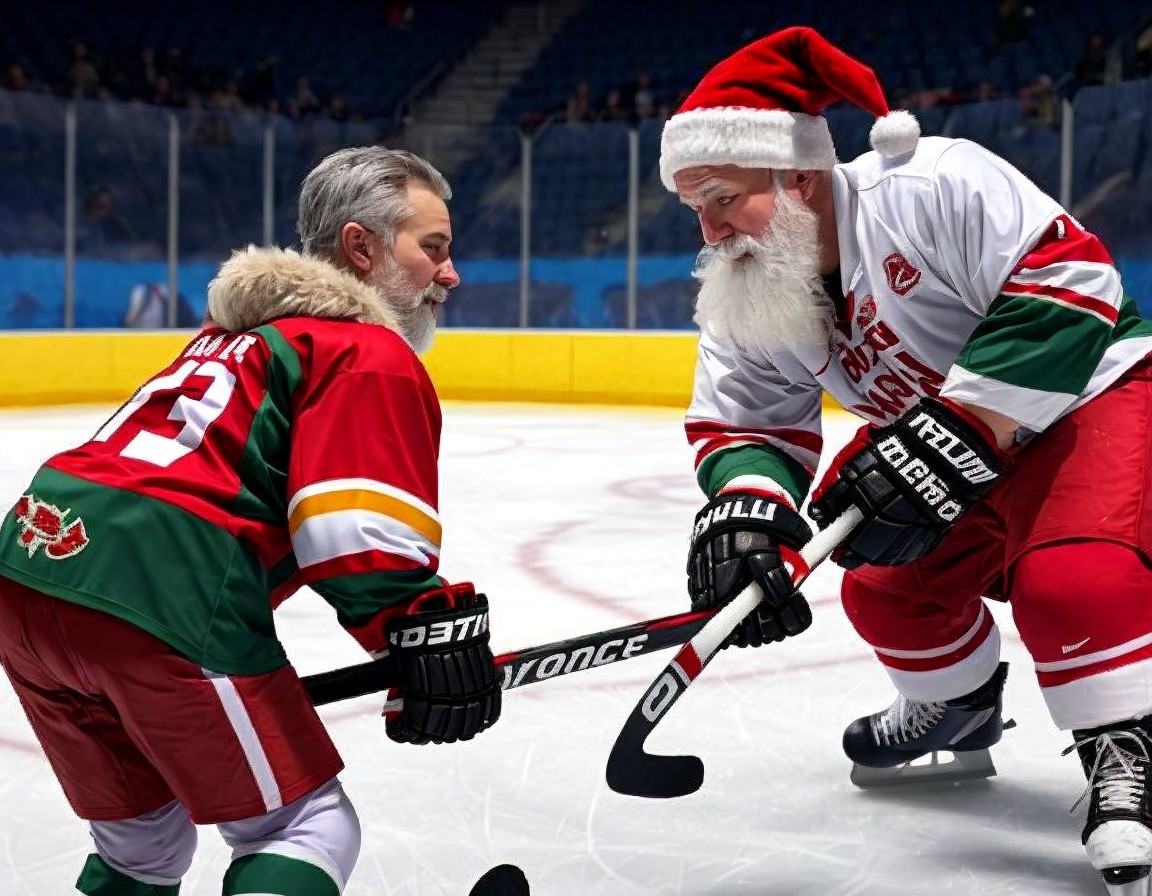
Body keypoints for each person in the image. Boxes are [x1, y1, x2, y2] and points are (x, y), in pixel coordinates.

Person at [663, 26, 1152, 895]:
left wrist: (957, 429)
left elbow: (1073, 287)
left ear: (801, 177)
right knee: (883, 586)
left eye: (726, 199)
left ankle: (1127, 747)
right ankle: (960, 710)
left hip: (1093, 398)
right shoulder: (751, 287)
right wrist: (745, 514)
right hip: (955, 439)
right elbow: (748, 424)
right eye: (696, 208)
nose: (711, 230)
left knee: (1071, 581)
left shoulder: (932, 183)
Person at [0, 146, 502, 895]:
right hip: (162, 581)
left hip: (30, 565)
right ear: (360, 246)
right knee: (304, 827)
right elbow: (353, 532)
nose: (450, 273)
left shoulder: (237, 335)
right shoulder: (365, 348)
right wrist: (418, 626)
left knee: (143, 841)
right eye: (433, 249)